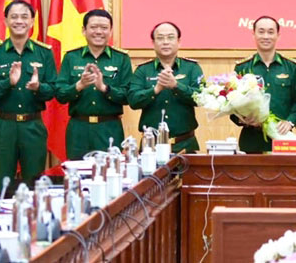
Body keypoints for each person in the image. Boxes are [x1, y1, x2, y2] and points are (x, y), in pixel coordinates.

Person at [0, 0, 56, 194]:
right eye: (14, 16)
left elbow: (54, 90)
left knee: (35, 184)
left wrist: (38, 87)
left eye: (24, 17)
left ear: (32, 22)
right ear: (5, 21)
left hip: (33, 126)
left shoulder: (44, 53)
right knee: (3, 185)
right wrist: (8, 83)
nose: (19, 21)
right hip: (4, 127)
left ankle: (34, 224)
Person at [55, 9, 132, 159]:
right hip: (78, 129)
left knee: (111, 175)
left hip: (109, 128)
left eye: (104, 28)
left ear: (110, 31)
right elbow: (60, 94)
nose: (99, 32)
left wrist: (105, 88)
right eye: (94, 27)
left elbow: (129, 96)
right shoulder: (71, 57)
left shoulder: (121, 58)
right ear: (84, 30)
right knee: (78, 176)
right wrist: (79, 85)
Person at [128, 22, 204, 153]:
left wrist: (176, 86)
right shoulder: (143, 70)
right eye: (160, 38)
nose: (165, 42)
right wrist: (156, 89)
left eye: (170, 37)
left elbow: (202, 98)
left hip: (185, 144)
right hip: (151, 145)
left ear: (179, 42)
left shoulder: (192, 68)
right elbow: (133, 101)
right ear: (153, 43)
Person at [232, 16, 296, 153]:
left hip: (283, 138)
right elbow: (232, 105)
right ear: (253, 34)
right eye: (261, 31)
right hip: (251, 139)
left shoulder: (291, 67)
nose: (266, 36)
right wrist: (244, 120)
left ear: (278, 35)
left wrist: (290, 122)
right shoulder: (242, 68)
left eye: (270, 32)